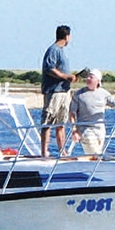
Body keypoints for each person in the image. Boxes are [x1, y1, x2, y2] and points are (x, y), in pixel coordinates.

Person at [40, 25, 78, 157]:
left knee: (61, 122)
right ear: (67, 36)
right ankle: (44, 152)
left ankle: (62, 151)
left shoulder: (62, 51)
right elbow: (49, 68)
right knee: (48, 122)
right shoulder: (53, 50)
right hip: (54, 92)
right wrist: (65, 76)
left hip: (64, 91)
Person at [69, 69, 115, 155]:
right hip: (85, 129)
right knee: (94, 154)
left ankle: (96, 167)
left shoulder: (104, 94)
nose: (88, 79)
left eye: (91, 77)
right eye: (88, 77)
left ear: (97, 80)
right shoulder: (78, 94)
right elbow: (72, 113)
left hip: (100, 129)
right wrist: (74, 130)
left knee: (97, 154)